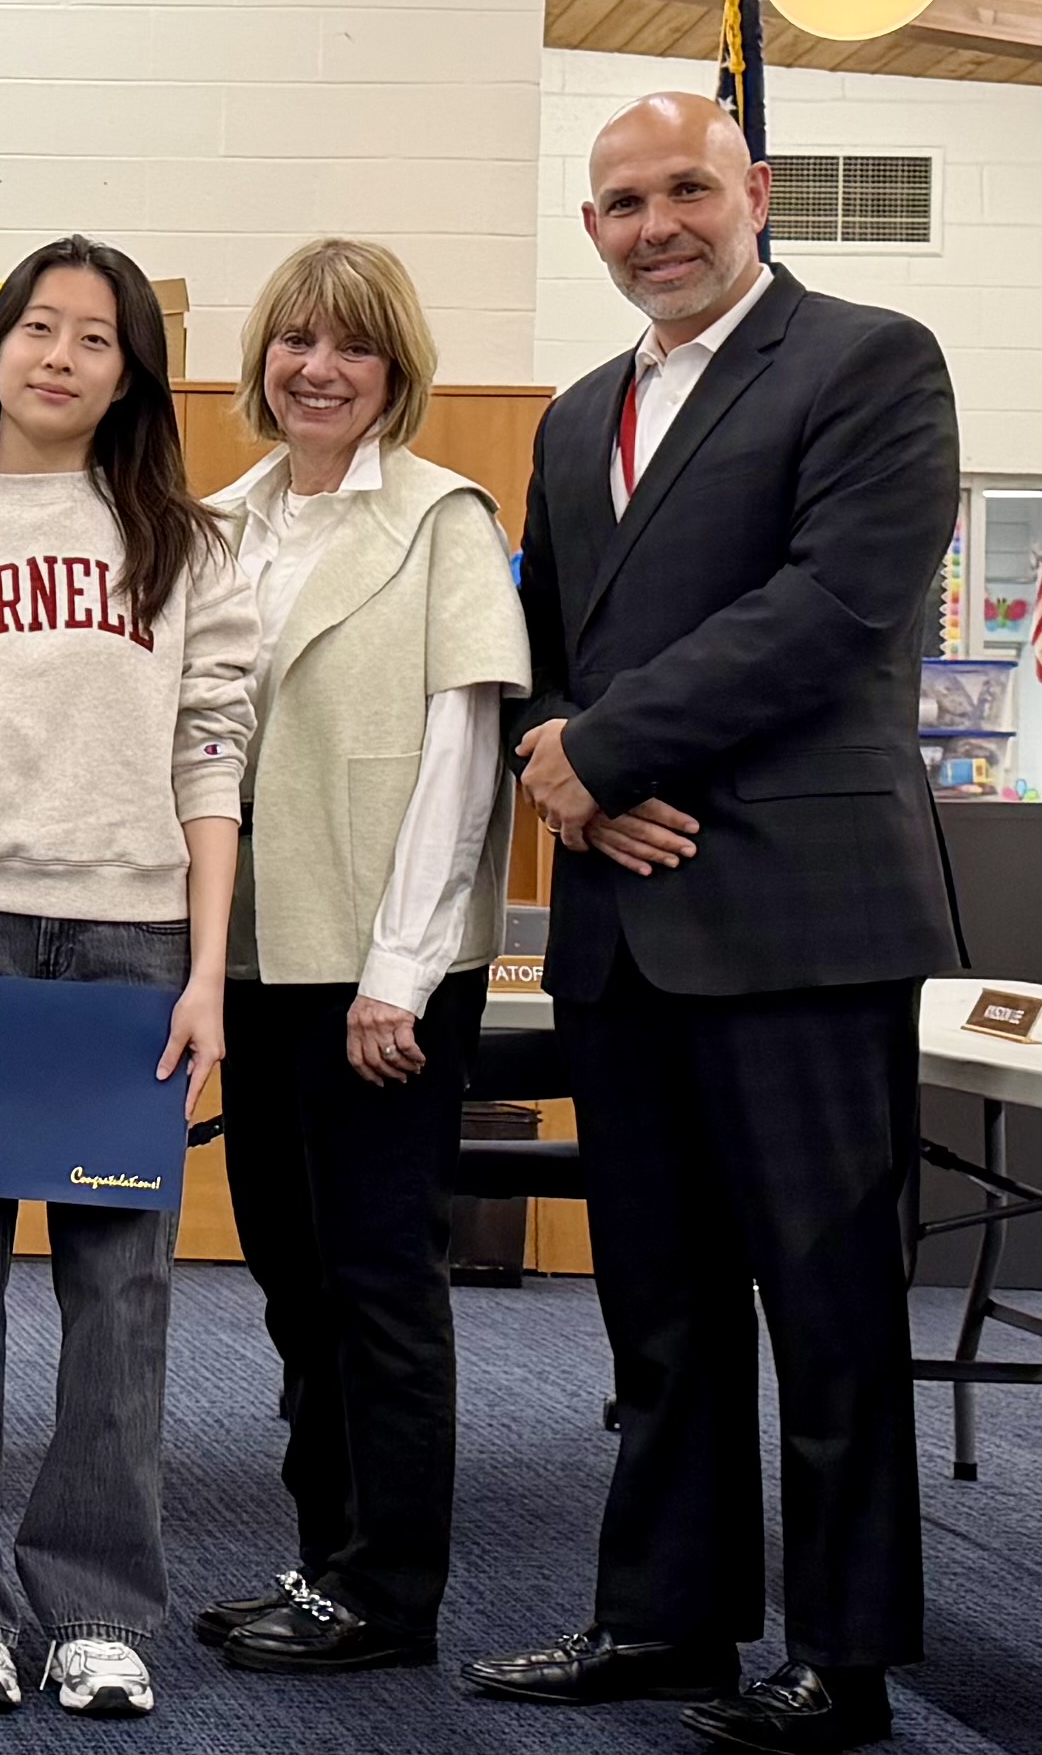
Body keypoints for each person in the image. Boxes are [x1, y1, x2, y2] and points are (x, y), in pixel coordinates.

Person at [461, 94, 960, 1755]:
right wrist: (565, 771)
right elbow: (538, 639)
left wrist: (602, 748)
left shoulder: (870, 360)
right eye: (619, 203)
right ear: (592, 229)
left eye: (684, 190)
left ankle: (844, 1658)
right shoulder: (574, 412)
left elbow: (833, 606)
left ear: (754, 192)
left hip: (797, 917)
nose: (654, 224)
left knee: (824, 1308)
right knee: (656, 1308)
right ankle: (663, 1618)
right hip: (619, 919)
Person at [0, 235, 256, 1720]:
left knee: (120, 1286)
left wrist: (206, 970)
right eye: (38, 327)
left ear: (130, 372)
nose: (61, 355)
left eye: (96, 337)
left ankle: (93, 1606)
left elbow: (214, 758)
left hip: (131, 946)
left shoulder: (186, 548)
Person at [192, 239, 528, 1674]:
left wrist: (402, 967)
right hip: (254, 950)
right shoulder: (217, 522)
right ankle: (323, 1560)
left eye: (351, 347)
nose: (317, 369)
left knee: (379, 1280)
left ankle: (389, 1594)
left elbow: (464, 755)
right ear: (260, 358)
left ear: (395, 370)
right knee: (288, 1275)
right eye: (294, 342)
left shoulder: (440, 516)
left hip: (380, 965)